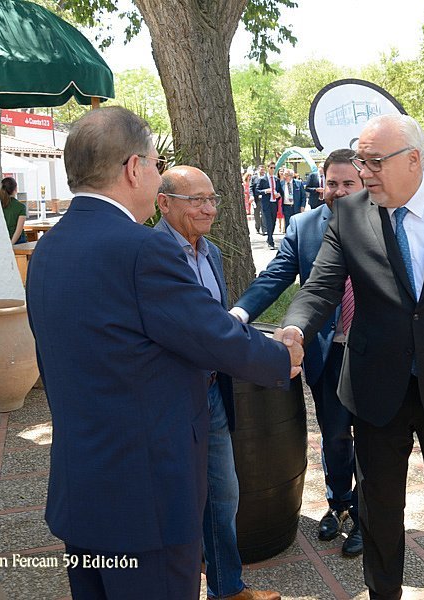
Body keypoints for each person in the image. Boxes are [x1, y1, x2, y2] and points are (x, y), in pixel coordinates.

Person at [26, 106, 302, 600]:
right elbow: (210, 335)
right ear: (134, 168)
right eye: (156, 164)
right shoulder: (142, 249)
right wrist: (281, 357)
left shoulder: (48, 247)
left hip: (82, 491)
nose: (157, 176)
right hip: (146, 500)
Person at [274, 114, 424, 599]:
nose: (363, 172)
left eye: (373, 161)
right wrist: (295, 327)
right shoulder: (350, 213)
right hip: (376, 385)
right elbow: (320, 286)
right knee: (379, 509)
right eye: (360, 160)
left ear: (413, 159)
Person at [152, 166, 280, 600]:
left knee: (223, 495)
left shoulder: (212, 254)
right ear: (163, 202)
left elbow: (217, 330)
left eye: (212, 199)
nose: (209, 209)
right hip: (171, 398)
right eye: (196, 200)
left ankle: (227, 588)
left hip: (212, 392)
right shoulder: (149, 255)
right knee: (176, 501)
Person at [232, 149, 365, 558]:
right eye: (332, 183)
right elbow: (275, 275)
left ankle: (366, 515)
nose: (339, 191)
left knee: (374, 439)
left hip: (373, 353)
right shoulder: (304, 226)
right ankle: (338, 503)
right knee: (334, 435)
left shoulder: (384, 222)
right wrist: (239, 314)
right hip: (327, 352)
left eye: (349, 183)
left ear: (364, 183)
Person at [255, 162, 282, 248]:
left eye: (274, 168)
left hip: (274, 203)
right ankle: (270, 241)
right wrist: (266, 191)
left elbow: (280, 191)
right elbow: (257, 191)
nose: (273, 169)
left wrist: (279, 194)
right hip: (266, 203)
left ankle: (269, 237)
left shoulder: (276, 179)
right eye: (271, 168)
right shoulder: (263, 179)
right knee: (269, 222)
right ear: (268, 168)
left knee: (273, 222)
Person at [0, 177, 27, 244]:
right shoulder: (21, 206)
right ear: (16, 189)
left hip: (1, 241)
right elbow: (18, 230)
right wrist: (11, 245)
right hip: (18, 242)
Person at [252, 165, 265, 235]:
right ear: (258, 170)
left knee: (264, 214)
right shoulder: (254, 178)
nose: (262, 171)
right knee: (256, 214)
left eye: (263, 169)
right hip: (256, 199)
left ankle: (264, 229)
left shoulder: (266, 177)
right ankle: (257, 227)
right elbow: (251, 188)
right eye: (261, 169)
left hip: (264, 199)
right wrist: (251, 196)